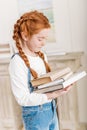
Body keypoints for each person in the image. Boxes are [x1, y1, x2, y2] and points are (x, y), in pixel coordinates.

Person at [9, 10, 72, 130]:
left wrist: (60, 86)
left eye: (45, 39)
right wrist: (52, 95)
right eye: (40, 39)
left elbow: (44, 86)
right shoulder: (17, 62)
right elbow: (22, 98)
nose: (43, 43)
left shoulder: (41, 56)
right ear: (25, 35)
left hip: (51, 109)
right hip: (35, 115)